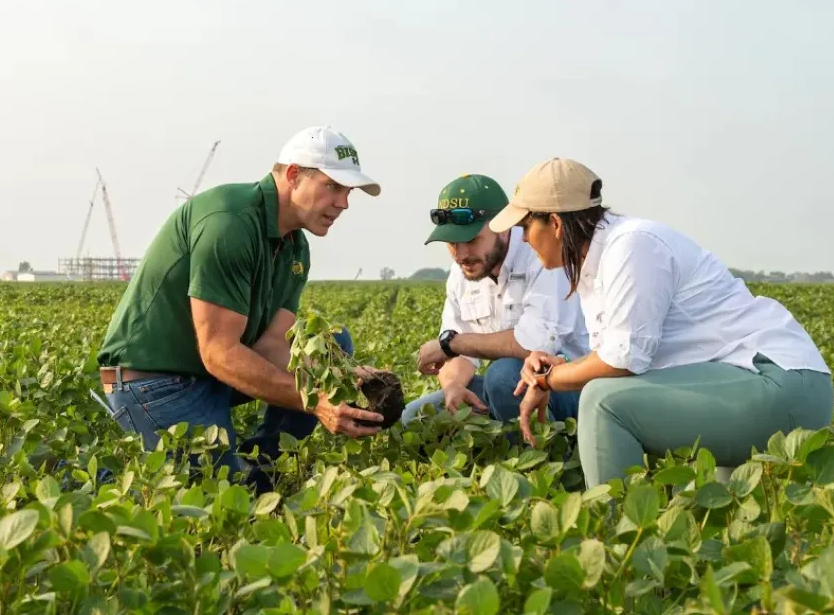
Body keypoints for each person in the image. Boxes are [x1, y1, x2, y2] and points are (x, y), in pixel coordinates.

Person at [488, 158, 834, 488]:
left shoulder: (631, 246)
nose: (522, 239)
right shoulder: (598, 261)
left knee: (603, 401)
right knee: (724, 518)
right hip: (738, 381)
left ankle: (610, 537)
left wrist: (548, 380)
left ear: (555, 223)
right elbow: (612, 355)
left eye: (525, 226)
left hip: (777, 382)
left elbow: (621, 362)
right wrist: (557, 367)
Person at [97, 125, 385, 490]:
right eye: (333, 186)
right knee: (221, 498)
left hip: (206, 376)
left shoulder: (295, 246)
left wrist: (343, 374)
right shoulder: (229, 224)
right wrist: (316, 402)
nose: (343, 203)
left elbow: (272, 346)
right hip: (154, 383)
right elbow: (219, 352)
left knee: (334, 346)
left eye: (348, 192)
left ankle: (262, 470)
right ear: (294, 175)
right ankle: (97, 481)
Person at [401, 173, 589, 427]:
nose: (461, 254)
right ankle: (501, 447)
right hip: (511, 388)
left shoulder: (541, 256)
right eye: (452, 243)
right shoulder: (461, 272)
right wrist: (453, 386)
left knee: (502, 376)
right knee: (417, 418)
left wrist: (450, 345)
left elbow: (534, 344)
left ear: (502, 227)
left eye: (471, 240)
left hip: (574, 386)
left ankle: (549, 459)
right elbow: (460, 351)